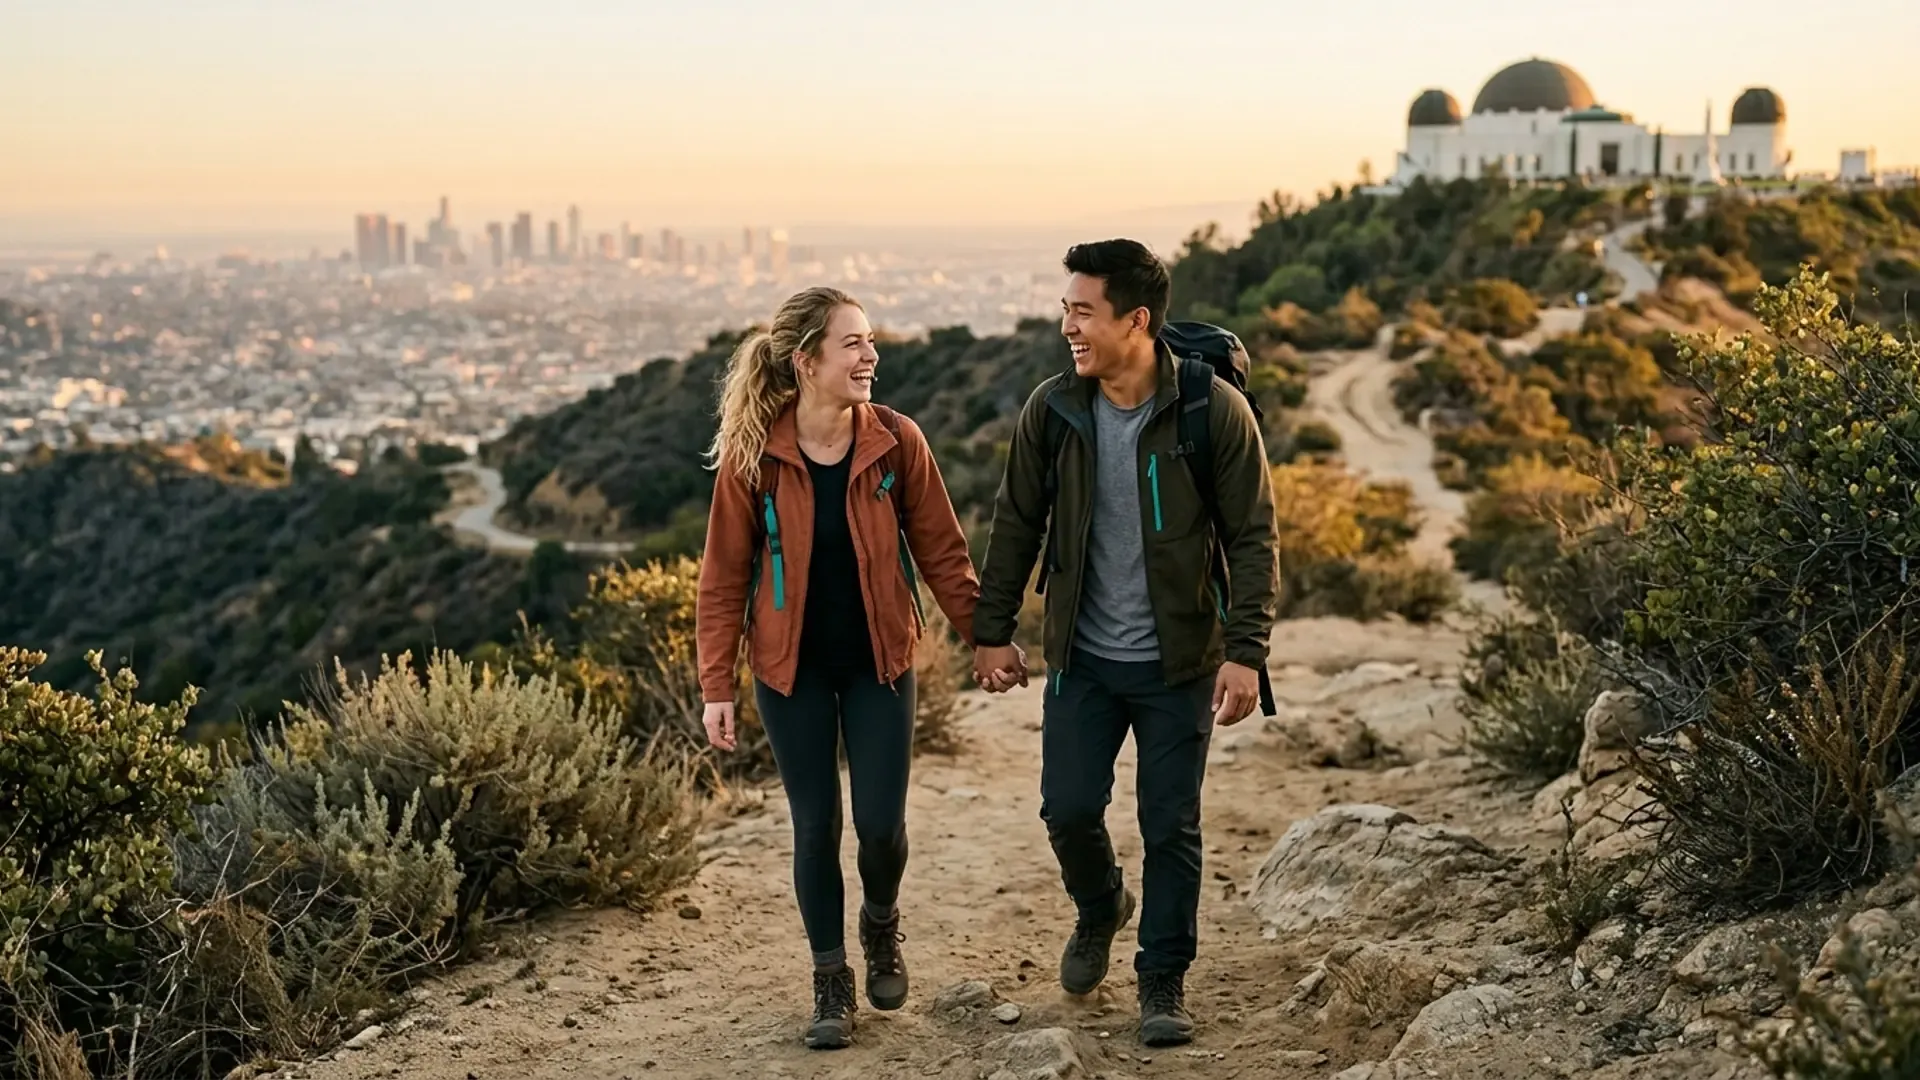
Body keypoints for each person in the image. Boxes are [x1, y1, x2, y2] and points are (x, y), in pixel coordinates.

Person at [969, 239, 1280, 1047]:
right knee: (1068, 808)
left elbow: (1254, 535)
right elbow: (1016, 525)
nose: (1067, 326)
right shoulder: (1055, 409)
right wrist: (990, 632)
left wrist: (1246, 650)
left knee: (1170, 822)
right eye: (1065, 308)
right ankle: (1102, 903)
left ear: (1135, 320)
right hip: (1085, 657)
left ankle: (1162, 977)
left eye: (1083, 311)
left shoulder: (1212, 410)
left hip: (1181, 661)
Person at [695, 286, 987, 1051]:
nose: (871, 356)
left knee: (881, 826)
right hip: (789, 673)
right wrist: (716, 687)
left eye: (868, 341)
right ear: (807, 362)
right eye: (853, 343)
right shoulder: (755, 457)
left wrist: (985, 640)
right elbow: (723, 577)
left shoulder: (896, 441)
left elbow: (943, 553)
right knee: (815, 825)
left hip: (879, 665)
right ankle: (831, 980)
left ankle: (881, 922)